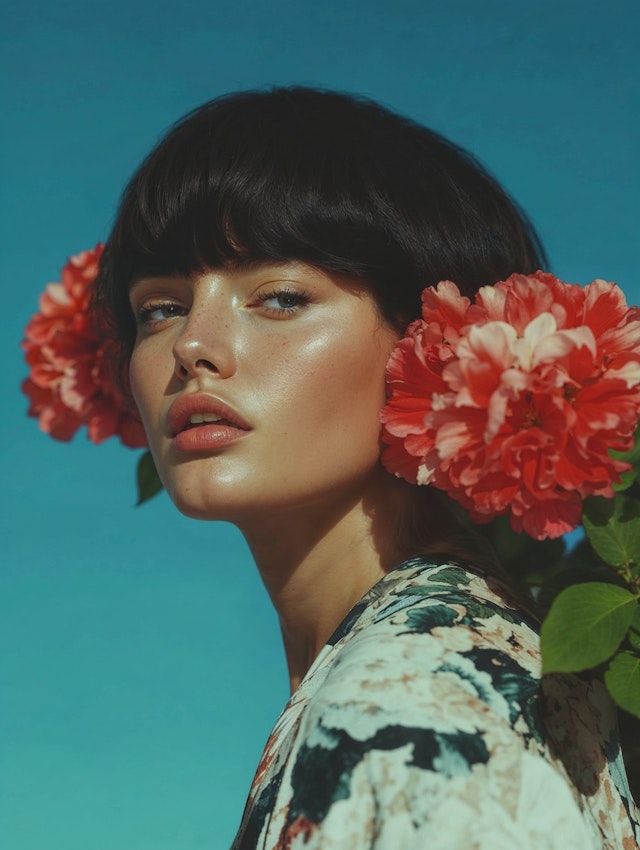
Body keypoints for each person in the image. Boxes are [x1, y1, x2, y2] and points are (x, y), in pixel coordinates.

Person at [93, 87, 639, 849]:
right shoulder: (446, 655)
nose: (192, 344)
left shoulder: (409, 707)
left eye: (279, 297)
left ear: (439, 350)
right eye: (159, 308)